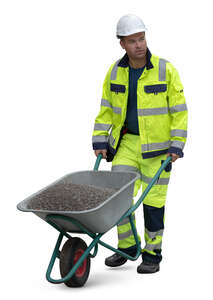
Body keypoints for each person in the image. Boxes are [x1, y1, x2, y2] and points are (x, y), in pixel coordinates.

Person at [92, 14, 188, 274]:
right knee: (119, 197)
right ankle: (128, 247)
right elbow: (106, 110)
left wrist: (177, 144)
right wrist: (100, 139)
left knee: (153, 202)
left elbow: (179, 110)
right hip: (127, 144)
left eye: (142, 38)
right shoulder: (115, 72)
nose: (139, 45)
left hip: (159, 150)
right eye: (132, 41)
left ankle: (152, 253)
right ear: (121, 43)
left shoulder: (165, 70)